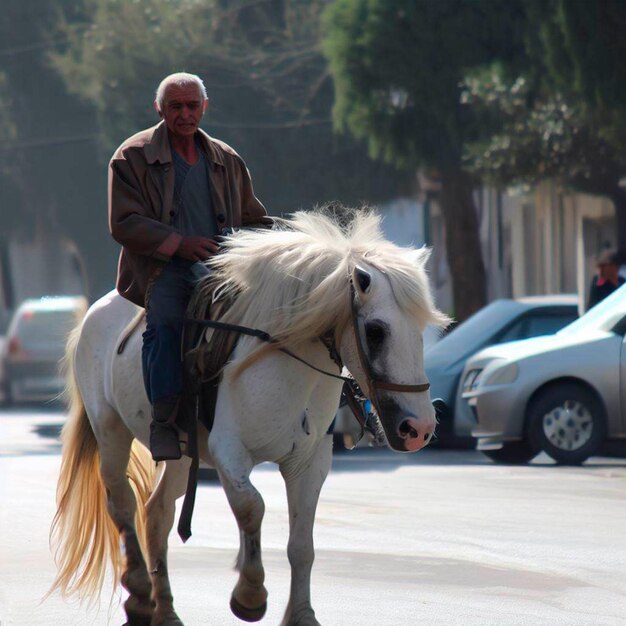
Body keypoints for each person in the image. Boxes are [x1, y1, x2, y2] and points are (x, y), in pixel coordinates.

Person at [108, 72, 270, 461]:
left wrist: (286, 241)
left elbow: (253, 219)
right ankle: (163, 421)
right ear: (159, 108)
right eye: (175, 106)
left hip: (226, 269)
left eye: (192, 106)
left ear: (204, 107)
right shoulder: (132, 156)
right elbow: (124, 223)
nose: (184, 114)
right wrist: (180, 244)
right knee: (163, 324)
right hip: (165, 270)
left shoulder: (226, 159)